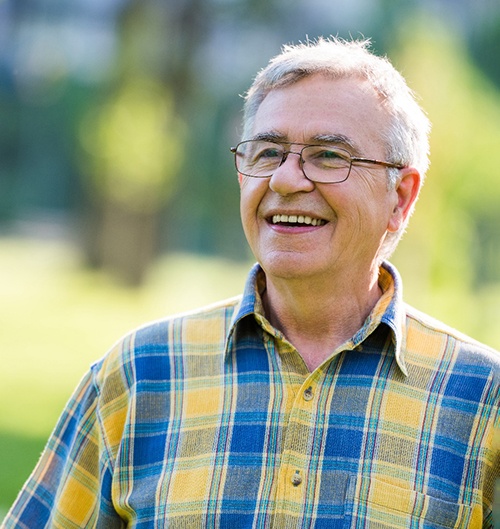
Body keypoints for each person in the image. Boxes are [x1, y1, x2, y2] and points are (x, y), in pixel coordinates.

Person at [2, 37, 499, 529]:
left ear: (401, 198)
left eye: (328, 155)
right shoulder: (137, 376)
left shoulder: (483, 401)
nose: (286, 180)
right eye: (267, 152)